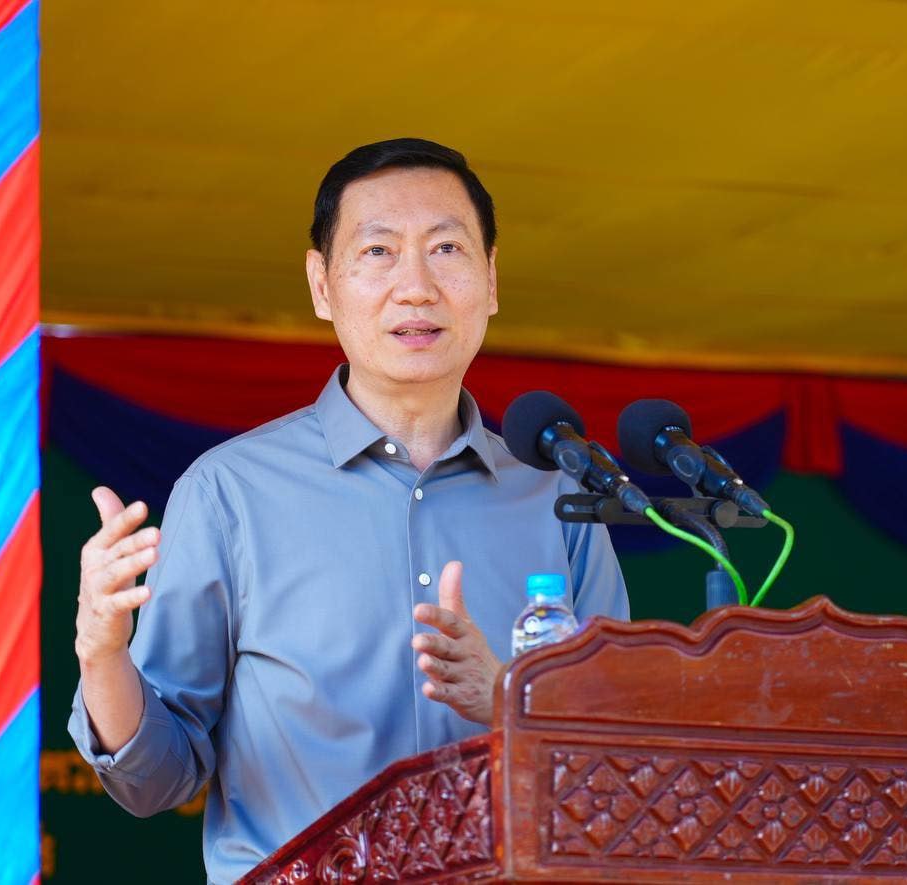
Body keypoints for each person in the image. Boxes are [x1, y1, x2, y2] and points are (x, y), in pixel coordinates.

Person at [68, 138, 629, 882]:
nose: (416, 287)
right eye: (378, 252)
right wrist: (102, 654)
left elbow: (619, 764)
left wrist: (506, 699)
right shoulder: (231, 493)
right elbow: (155, 781)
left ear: (491, 279)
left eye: (447, 249)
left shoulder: (556, 496)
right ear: (321, 284)